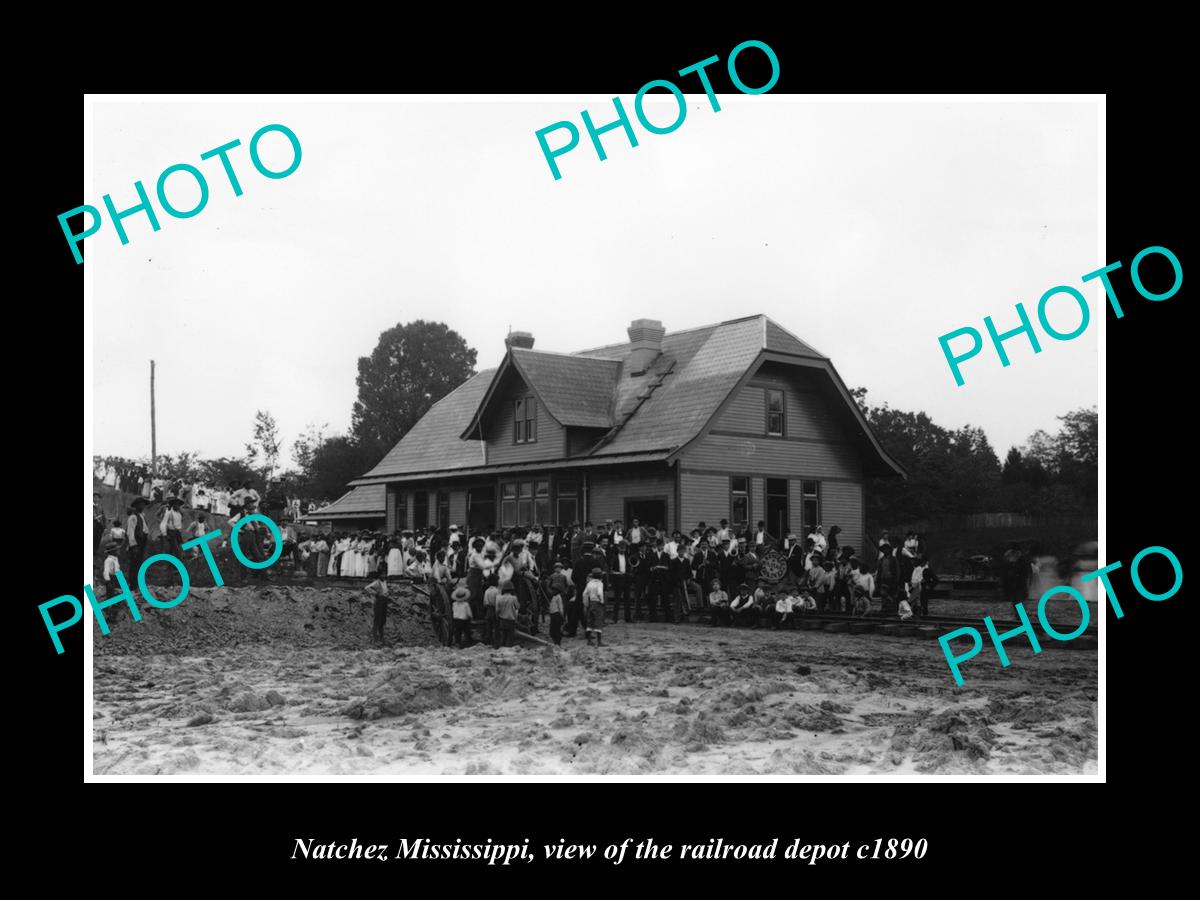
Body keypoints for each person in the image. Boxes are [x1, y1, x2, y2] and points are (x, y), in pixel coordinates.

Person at [608, 539, 633, 623]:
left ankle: (628, 618)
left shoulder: (627, 558)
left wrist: (629, 574)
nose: (622, 549)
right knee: (617, 601)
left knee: (627, 600)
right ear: (618, 548)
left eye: (624, 548)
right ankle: (614, 619)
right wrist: (617, 573)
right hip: (618, 580)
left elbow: (629, 569)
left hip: (626, 580)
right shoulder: (614, 558)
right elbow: (611, 571)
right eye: (621, 548)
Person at [125, 497, 150, 577]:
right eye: (140, 505)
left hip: (142, 539)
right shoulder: (133, 517)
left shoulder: (142, 516)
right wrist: (133, 545)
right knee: (134, 562)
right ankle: (133, 584)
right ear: (136, 506)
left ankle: (136, 583)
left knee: (139, 561)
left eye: (143, 505)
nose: (142, 507)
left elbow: (145, 528)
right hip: (137, 541)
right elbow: (130, 532)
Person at [365, 566, 390, 644]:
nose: (384, 576)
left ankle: (382, 638)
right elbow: (367, 588)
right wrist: (375, 593)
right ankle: (375, 638)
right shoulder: (377, 582)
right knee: (377, 620)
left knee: (382, 620)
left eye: (385, 574)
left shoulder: (385, 582)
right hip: (379, 601)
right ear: (379, 575)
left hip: (384, 601)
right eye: (382, 574)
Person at [582, 567, 606, 647]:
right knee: (598, 621)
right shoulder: (599, 584)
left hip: (591, 603)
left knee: (590, 621)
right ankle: (599, 642)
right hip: (597, 603)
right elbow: (599, 593)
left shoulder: (589, 583)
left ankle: (589, 640)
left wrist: (586, 604)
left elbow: (584, 594)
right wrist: (602, 601)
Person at [547, 562, 569, 645]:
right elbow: (548, 586)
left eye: (560, 568)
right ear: (554, 568)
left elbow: (566, 585)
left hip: (561, 595)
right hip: (554, 594)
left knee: (561, 607)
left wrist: (565, 592)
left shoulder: (563, 576)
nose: (558, 569)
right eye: (557, 568)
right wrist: (550, 593)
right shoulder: (552, 576)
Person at [495, 580, 519, 648]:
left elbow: (497, 610)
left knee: (503, 637)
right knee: (510, 638)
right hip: (511, 620)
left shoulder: (499, 598)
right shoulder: (514, 598)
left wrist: (497, 617)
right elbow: (517, 607)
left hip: (502, 620)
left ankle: (501, 649)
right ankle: (508, 650)